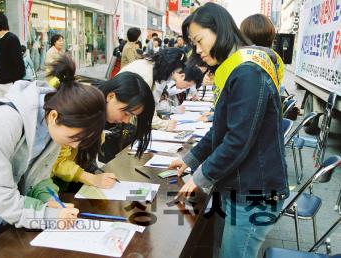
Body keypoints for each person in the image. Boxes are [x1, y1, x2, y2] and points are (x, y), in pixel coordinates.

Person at [169, 3, 289, 258]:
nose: (198, 50)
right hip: (242, 185)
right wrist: (189, 159)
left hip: (254, 190)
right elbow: (222, 129)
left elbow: (237, 139)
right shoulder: (237, 66)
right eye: (194, 44)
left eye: (200, 41)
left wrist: (199, 177)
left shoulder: (247, 71)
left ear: (220, 30)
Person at [0, 54, 106, 256]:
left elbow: (38, 177)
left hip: (0, 217)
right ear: (54, 116)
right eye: (75, 137)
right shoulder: (5, 121)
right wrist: (47, 215)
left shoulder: (51, 126)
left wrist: (48, 199)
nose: (76, 145)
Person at [52, 72, 155, 189]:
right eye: (126, 113)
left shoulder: (99, 113)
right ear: (111, 97)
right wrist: (92, 179)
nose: (127, 121)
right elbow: (57, 161)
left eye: (132, 116)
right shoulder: (81, 111)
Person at [119, 48, 191, 131]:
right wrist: (164, 124)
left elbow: (151, 105)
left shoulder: (151, 67)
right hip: (122, 113)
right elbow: (146, 111)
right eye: (175, 71)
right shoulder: (147, 75)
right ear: (170, 67)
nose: (172, 75)